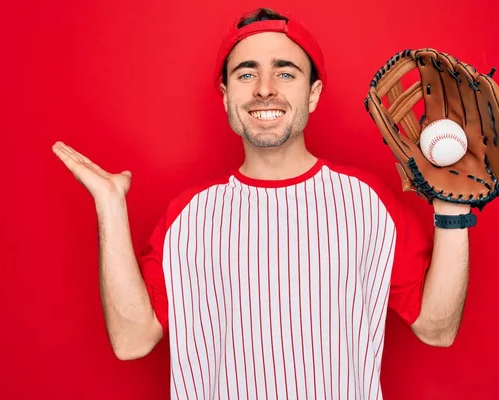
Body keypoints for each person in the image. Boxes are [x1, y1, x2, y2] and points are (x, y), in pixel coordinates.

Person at [52, 7, 471, 399]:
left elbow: (438, 329)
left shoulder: (368, 201)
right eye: (246, 73)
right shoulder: (187, 217)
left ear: (313, 94)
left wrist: (452, 209)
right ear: (225, 94)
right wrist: (109, 205)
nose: (265, 89)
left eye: (285, 73)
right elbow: (131, 341)